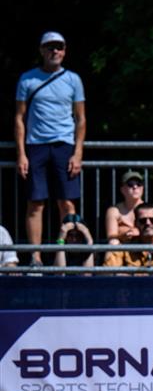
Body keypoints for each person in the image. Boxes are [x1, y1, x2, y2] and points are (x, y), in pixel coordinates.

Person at [14, 31, 86, 264]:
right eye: (50, 47)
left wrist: (78, 153)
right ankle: (36, 257)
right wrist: (21, 154)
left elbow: (81, 118)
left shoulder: (73, 79)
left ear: (64, 51)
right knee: (35, 203)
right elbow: (19, 117)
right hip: (36, 145)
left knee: (67, 203)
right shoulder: (27, 79)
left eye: (59, 47)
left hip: (64, 146)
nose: (55, 51)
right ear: (41, 50)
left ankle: (65, 255)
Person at [103, 203, 153, 273]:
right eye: (143, 220)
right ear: (136, 223)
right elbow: (107, 274)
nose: (148, 223)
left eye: (152, 220)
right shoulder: (126, 246)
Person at [103, 171, 146, 244]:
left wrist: (138, 233)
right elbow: (111, 236)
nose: (135, 187)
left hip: (144, 246)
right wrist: (124, 235)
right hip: (121, 246)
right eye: (130, 184)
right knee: (113, 242)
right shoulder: (114, 211)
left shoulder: (151, 209)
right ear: (122, 189)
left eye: (139, 184)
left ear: (142, 188)